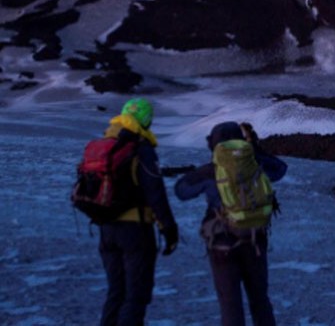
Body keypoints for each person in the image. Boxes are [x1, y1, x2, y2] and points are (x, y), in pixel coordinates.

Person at [175, 121, 287, 326]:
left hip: (221, 245)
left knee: (230, 304)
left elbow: (181, 191)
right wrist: (255, 150)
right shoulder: (255, 164)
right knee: (260, 299)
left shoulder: (210, 171)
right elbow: (280, 169)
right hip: (254, 240)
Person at [99, 97, 179, 325]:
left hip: (107, 228)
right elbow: (155, 192)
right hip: (135, 231)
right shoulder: (141, 149)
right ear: (146, 120)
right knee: (135, 296)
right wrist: (169, 229)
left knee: (116, 292)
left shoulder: (107, 143)